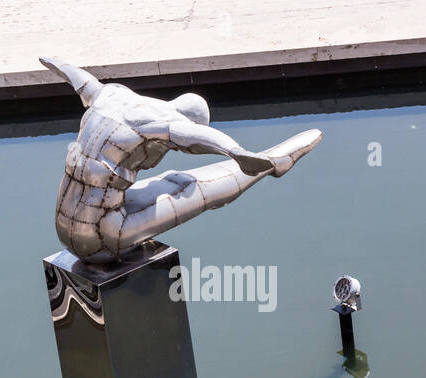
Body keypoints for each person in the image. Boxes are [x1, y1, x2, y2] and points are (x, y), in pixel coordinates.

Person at [41, 57, 322, 262]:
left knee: (168, 179)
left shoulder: (113, 96)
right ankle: (273, 163)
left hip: (62, 229)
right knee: (191, 186)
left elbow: (78, 77)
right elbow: (197, 138)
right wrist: (240, 155)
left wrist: (56, 62)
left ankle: (268, 163)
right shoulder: (161, 124)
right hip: (101, 240)